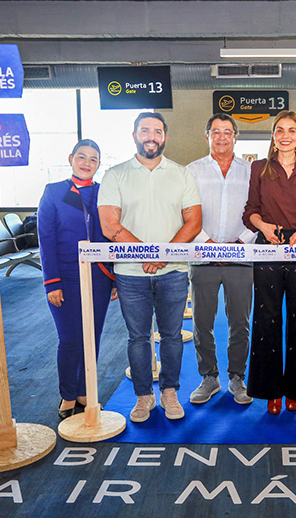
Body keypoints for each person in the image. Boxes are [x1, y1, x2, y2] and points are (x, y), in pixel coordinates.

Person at [98, 112, 202, 423]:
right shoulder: (115, 175)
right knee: (138, 338)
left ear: (165, 137)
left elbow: (194, 221)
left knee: (171, 336)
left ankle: (170, 392)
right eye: (144, 130)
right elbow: (109, 225)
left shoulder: (181, 174)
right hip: (130, 273)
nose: (151, 136)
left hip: (173, 271)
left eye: (157, 131)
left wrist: (163, 254)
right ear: (134, 135)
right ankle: (144, 397)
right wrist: (146, 253)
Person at [242, 110, 296, 415]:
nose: (286, 135)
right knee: (266, 319)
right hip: (267, 245)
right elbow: (250, 210)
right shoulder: (259, 169)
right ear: (274, 136)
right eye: (280, 130)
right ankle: (270, 390)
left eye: (292, 130)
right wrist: (263, 227)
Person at [38, 139, 116, 420]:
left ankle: (86, 391)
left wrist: (114, 277)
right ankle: (68, 394)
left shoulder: (104, 193)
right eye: (82, 157)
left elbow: (112, 233)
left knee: (91, 338)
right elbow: (45, 240)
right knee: (70, 338)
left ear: (98, 164)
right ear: (71, 158)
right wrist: (52, 282)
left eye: (93, 159)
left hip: (99, 276)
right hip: (66, 276)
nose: (86, 163)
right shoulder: (53, 192)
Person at [186, 113, 256, 405]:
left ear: (235, 137)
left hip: (242, 256)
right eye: (216, 132)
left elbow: (259, 211)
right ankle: (209, 377)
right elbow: (185, 211)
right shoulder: (192, 170)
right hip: (203, 255)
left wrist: (240, 243)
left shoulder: (251, 171)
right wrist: (210, 245)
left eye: (228, 132)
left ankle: (237, 377)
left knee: (239, 320)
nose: (222, 137)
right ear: (207, 136)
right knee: (202, 321)